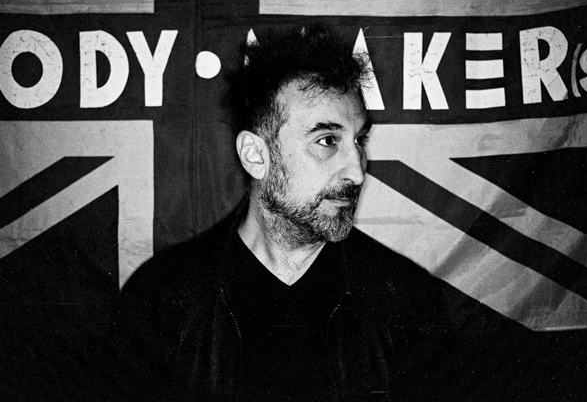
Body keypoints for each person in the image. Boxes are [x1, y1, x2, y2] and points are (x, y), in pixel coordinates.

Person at [103, 24, 452, 402]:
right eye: (327, 141)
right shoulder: (161, 301)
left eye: (358, 140)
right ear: (256, 155)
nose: (357, 171)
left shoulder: (406, 303)